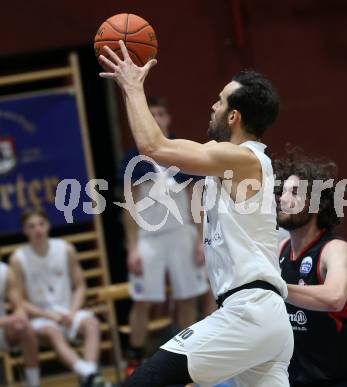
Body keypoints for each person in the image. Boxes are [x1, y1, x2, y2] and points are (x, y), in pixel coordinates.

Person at [99, 41, 293, 387]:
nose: (212, 105)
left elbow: (153, 147)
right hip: (264, 315)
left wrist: (131, 86)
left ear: (233, 116)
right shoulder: (227, 159)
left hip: (249, 312)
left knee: (144, 381)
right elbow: (160, 147)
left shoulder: (241, 159)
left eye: (219, 101)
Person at [117, 96, 211, 374]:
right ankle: (134, 358)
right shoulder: (133, 158)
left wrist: (199, 239)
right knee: (143, 299)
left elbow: (197, 202)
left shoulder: (181, 152)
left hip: (182, 234)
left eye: (160, 114)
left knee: (187, 296)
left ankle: (184, 357)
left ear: (168, 119)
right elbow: (129, 208)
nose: (156, 119)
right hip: (149, 238)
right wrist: (132, 248)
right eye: (151, 114)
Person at [275, 148, 347, 387]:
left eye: (295, 192)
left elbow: (334, 297)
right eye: (283, 191)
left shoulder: (335, 250)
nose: (283, 199)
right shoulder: (281, 251)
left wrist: (275, 287)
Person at [10, 208, 104, 387]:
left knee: (92, 324)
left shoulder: (65, 249)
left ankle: (88, 376)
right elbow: (20, 300)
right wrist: (48, 316)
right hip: (40, 317)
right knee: (52, 332)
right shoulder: (18, 259)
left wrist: (72, 311)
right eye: (31, 226)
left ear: (48, 226)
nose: (37, 229)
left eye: (41, 224)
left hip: (68, 310)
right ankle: (90, 373)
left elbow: (80, 286)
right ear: (24, 230)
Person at [0, 261, 40, 387]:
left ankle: (33, 384)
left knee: (25, 328)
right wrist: (6, 321)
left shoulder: (4, 271)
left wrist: (20, 319)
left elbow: (19, 306)